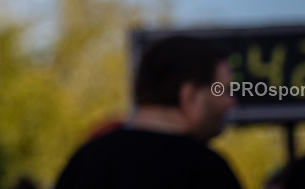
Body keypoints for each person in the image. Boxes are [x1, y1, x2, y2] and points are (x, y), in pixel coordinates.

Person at [54, 35, 241, 189]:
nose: (230, 103)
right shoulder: (207, 171)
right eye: (222, 90)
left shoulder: (85, 162)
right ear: (190, 95)